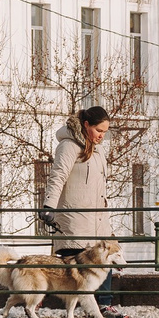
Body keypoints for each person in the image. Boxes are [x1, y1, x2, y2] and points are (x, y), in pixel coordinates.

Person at [38, 105, 113, 254]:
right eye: (98, 130)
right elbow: (58, 176)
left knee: (106, 274)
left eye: (105, 132)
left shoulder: (99, 151)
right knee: (81, 276)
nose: (101, 136)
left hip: (98, 231)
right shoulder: (68, 146)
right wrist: (49, 206)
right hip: (75, 228)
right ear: (86, 124)